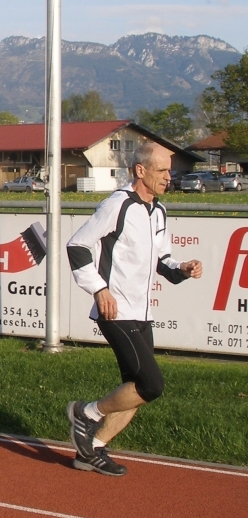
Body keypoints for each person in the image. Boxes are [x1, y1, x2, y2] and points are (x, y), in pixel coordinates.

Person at [66, 142, 202, 476]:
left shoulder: (159, 211)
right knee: (151, 385)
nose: (169, 177)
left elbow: (162, 261)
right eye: (162, 170)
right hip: (115, 311)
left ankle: (92, 450)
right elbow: (78, 246)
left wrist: (182, 268)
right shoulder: (118, 205)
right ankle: (86, 412)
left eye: (170, 171)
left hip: (142, 314)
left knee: (135, 390)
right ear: (140, 170)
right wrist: (99, 289)